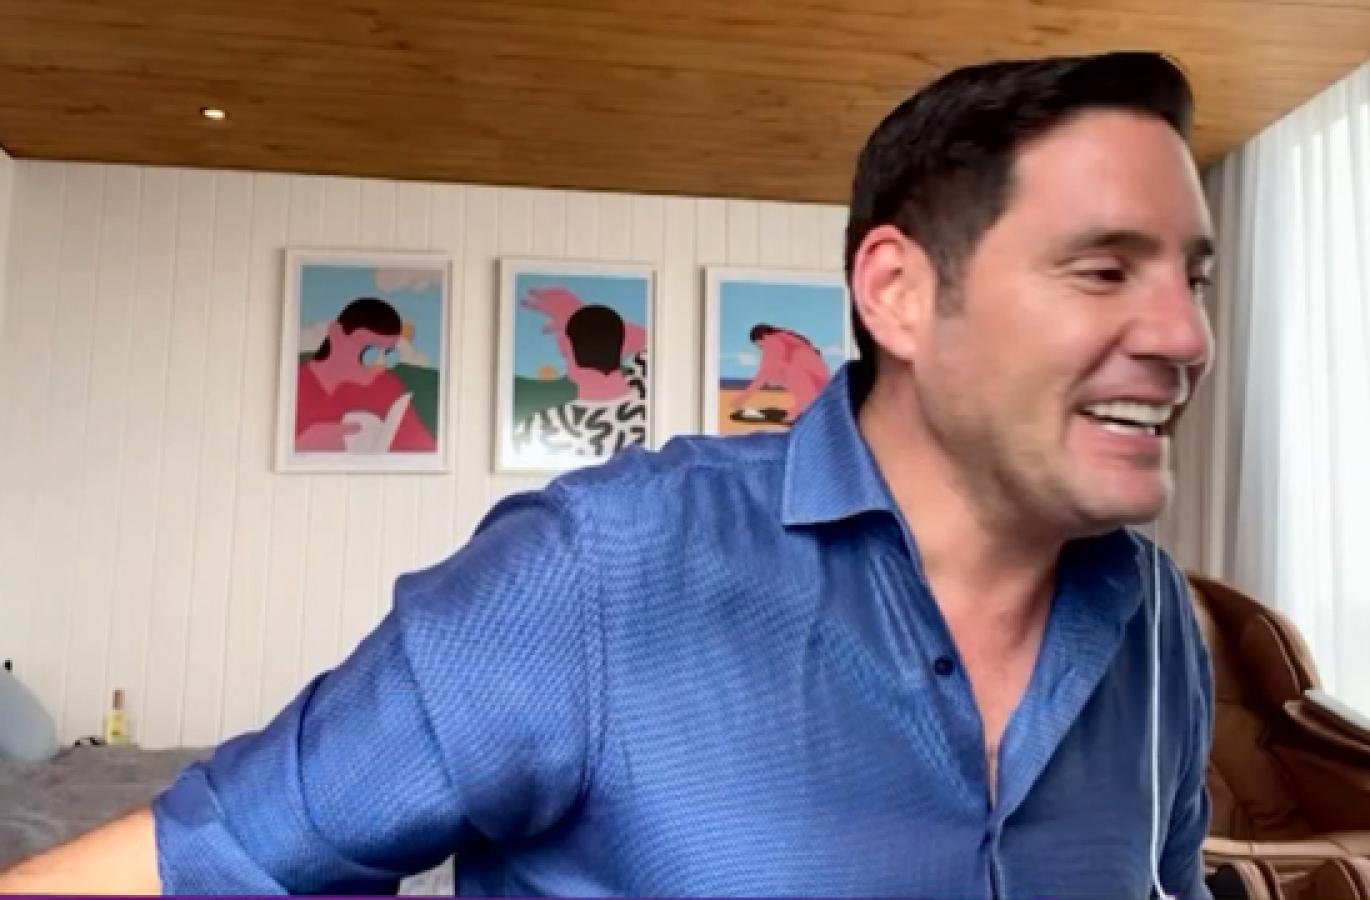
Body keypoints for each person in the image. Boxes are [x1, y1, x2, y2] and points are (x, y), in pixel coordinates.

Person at [0, 51, 1217, 898]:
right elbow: (184, 868)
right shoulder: (598, 569)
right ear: (897, 293)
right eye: (1103, 270)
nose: (1185, 336)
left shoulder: (1155, 619)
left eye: (1194, 279)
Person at [295, 296, 435, 453]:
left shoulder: (385, 385)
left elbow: (425, 453)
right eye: (368, 350)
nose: (379, 366)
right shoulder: (292, 384)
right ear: (336, 334)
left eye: (389, 354)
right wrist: (301, 447)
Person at [523, 303, 649, 459]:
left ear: (564, 345)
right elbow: (649, 339)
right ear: (623, 345)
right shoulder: (647, 396)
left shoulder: (541, 424)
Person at [728, 323, 832, 423]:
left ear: (761, 337)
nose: (760, 348)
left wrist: (743, 397)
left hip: (812, 382)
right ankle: (800, 410)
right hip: (819, 383)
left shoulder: (772, 341)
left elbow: (764, 372)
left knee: (781, 370)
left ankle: (796, 412)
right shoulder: (786, 338)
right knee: (780, 371)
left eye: (758, 345)